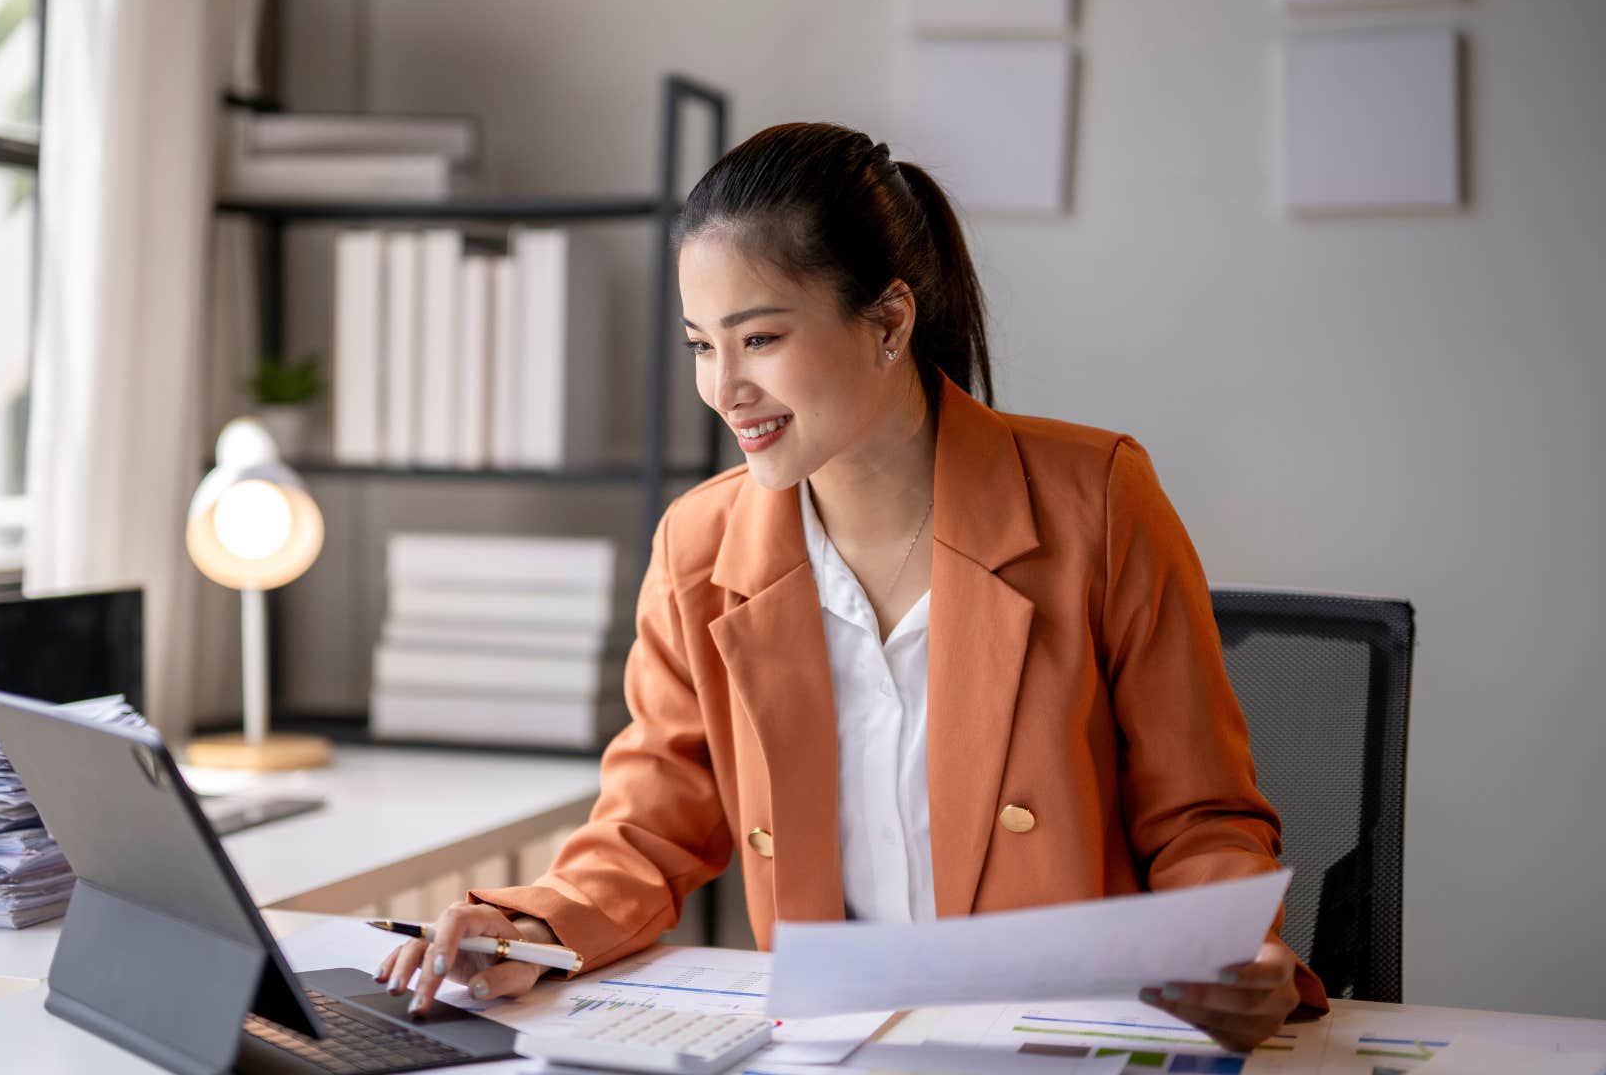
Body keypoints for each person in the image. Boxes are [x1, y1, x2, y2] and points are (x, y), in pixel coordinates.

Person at [376, 122, 1328, 1052]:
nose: (724, 388)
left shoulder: (1099, 502)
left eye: (759, 338)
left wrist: (1236, 948)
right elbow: (650, 823)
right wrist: (533, 929)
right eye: (701, 345)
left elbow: (1200, 816)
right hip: (834, 1047)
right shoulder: (699, 546)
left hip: (1070, 1035)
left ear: (888, 322)